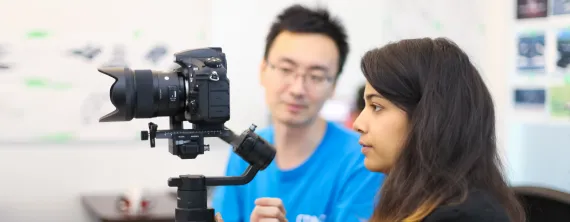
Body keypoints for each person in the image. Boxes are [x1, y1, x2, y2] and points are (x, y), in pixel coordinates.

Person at [227, 38, 528, 222]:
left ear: (428, 118)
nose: (358, 123)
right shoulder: (409, 201)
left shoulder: (463, 218)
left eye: (377, 107)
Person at [212, 4, 385, 222]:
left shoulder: (363, 161)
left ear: (334, 86)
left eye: (316, 76)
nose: (297, 89)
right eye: (286, 69)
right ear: (263, 71)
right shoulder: (244, 151)